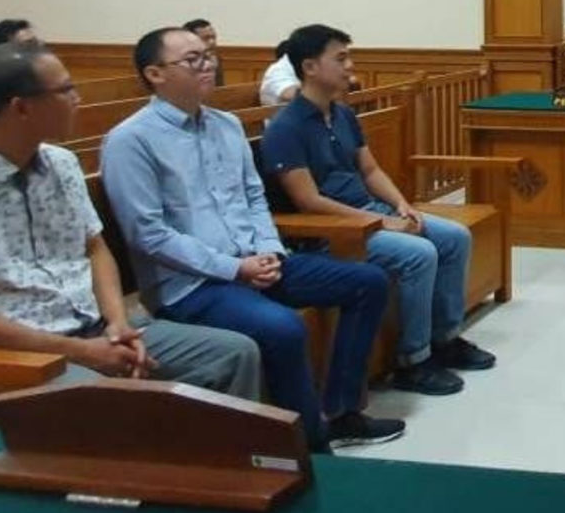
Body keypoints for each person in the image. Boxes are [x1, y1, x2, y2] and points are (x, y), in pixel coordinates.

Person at [0, 42, 262, 423]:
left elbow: (94, 247)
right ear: (21, 107)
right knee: (108, 397)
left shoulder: (61, 164)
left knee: (233, 354)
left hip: (91, 330)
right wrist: (78, 351)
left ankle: (207, 475)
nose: (78, 98)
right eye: (65, 90)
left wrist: (118, 322)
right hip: (7, 362)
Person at [100, 27, 404, 450]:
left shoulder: (225, 125)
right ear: (155, 73)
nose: (208, 65)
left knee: (368, 282)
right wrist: (234, 267)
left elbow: (253, 196)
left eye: (208, 56)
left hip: (256, 260)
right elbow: (148, 234)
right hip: (193, 285)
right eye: (193, 60)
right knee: (281, 328)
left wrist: (268, 249)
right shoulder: (131, 140)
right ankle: (309, 446)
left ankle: (341, 412)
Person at [262, 24, 496, 397]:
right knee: (419, 254)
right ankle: (413, 361)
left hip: (370, 213)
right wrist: (381, 222)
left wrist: (401, 204)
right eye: (340, 58)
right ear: (309, 67)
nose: (350, 66)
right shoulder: (286, 128)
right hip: (331, 232)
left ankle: (445, 338)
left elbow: (369, 170)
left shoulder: (341, 115)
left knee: (454, 237)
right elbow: (310, 202)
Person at [182, 18, 225, 86]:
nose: (212, 42)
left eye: (213, 37)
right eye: (206, 38)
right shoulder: (181, 63)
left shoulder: (215, 59)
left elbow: (220, 90)